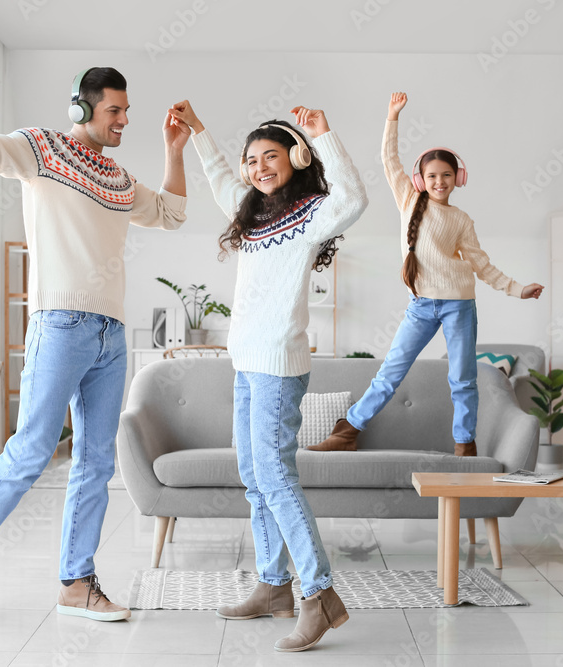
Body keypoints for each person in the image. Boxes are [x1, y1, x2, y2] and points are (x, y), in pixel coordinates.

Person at [0, 33, 189, 623]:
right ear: (83, 109)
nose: (124, 120)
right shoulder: (41, 148)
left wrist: (175, 149)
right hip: (60, 322)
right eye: (114, 110)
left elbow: (171, 214)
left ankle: (76, 582)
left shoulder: (119, 180)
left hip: (110, 334)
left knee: (96, 460)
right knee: (32, 449)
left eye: (126, 111)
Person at [167, 100, 367, 652]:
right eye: (251, 159)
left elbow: (354, 198)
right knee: (255, 478)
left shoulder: (311, 214)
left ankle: (320, 594)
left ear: (296, 159)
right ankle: (274, 586)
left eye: (270, 157)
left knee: (275, 478)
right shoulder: (251, 213)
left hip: (278, 366)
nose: (258, 168)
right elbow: (218, 179)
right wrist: (200, 131)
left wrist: (324, 134)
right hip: (245, 363)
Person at [311, 92, 544, 455]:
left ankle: (465, 445)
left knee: (463, 379)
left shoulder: (461, 219)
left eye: (447, 175)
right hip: (420, 305)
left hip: (459, 306)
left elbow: (481, 264)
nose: (440, 181)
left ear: (458, 178)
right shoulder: (408, 199)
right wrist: (392, 117)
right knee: (391, 372)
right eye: (433, 175)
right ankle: (348, 430)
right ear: (421, 179)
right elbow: (389, 161)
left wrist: (518, 289)